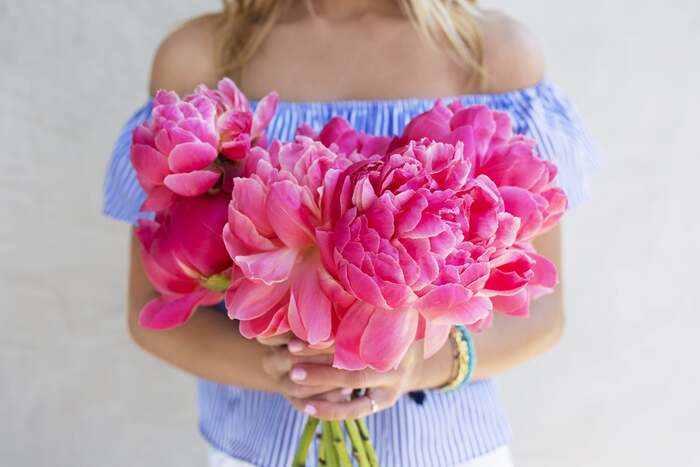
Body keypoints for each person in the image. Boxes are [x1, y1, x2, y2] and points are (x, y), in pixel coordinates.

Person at [103, 1, 599, 465]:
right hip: (257, 451)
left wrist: (413, 368)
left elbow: (542, 310)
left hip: (444, 450)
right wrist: (288, 372)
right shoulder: (203, 58)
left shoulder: (493, 57)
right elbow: (150, 303)